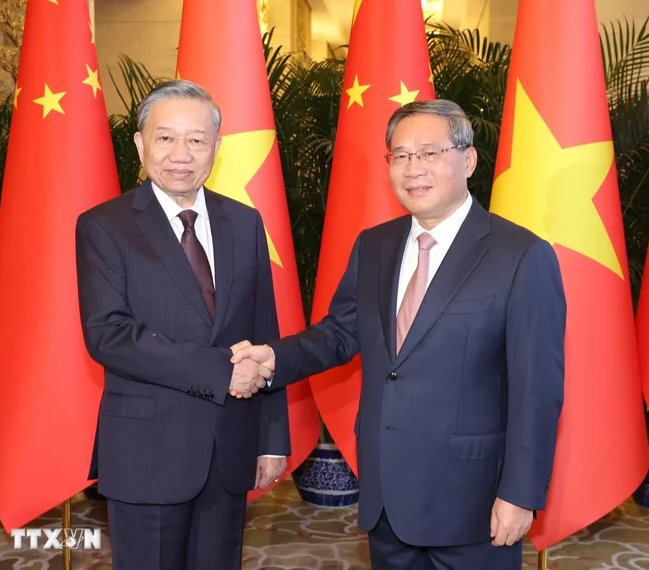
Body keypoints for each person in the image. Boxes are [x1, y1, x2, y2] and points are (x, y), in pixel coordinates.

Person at [231, 100, 566, 570]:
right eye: (401, 155)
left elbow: (538, 392)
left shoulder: (522, 256)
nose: (413, 168)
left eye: (429, 153)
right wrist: (273, 358)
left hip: (473, 503)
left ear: (467, 161)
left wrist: (519, 494)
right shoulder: (376, 245)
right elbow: (341, 333)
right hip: (387, 495)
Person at [75, 79, 290, 570]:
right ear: (140, 143)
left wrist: (272, 438)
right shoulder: (104, 225)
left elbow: (265, 333)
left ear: (216, 146)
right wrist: (219, 371)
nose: (181, 153)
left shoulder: (244, 222)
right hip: (148, 453)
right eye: (165, 137)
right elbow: (109, 333)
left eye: (196, 140)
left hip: (230, 450)